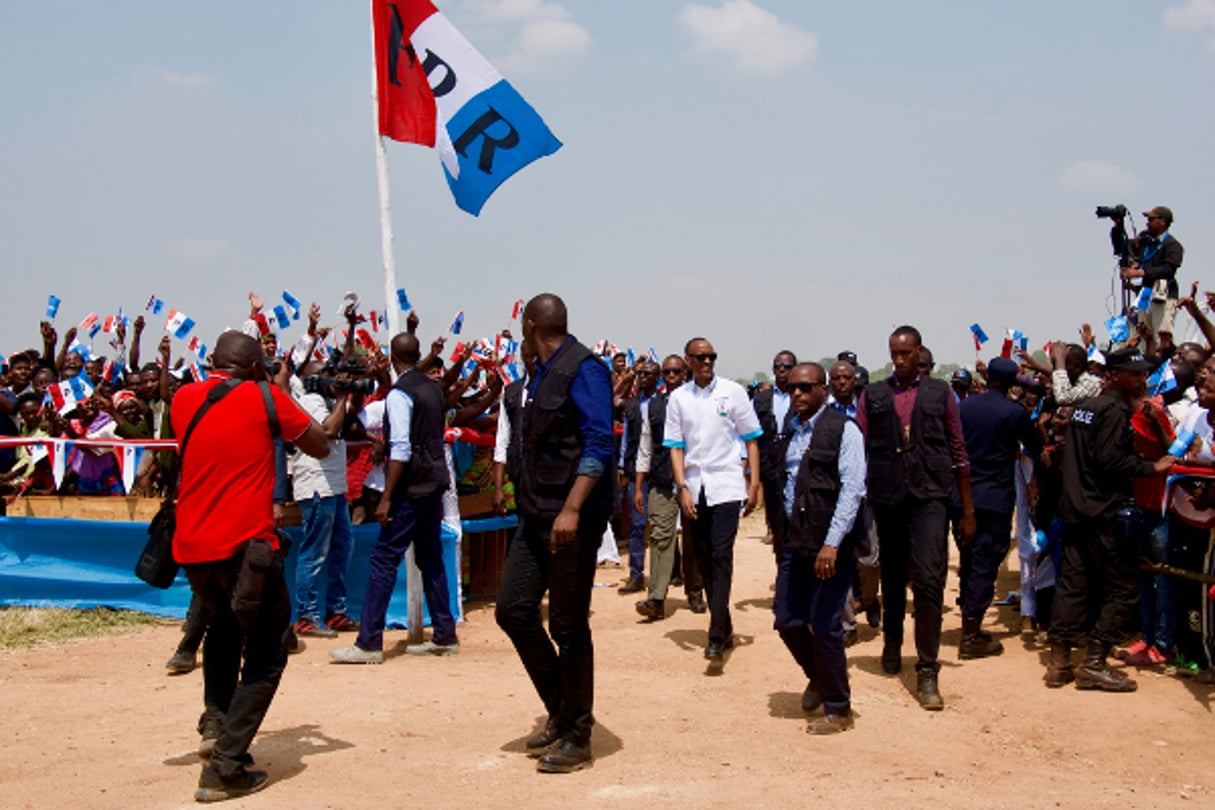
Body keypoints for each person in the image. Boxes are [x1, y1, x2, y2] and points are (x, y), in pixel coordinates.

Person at [171, 331, 327, 802]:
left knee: (220, 630)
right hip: (247, 548)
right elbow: (318, 444)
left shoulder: (184, 398)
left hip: (195, 546)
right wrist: (276, 388)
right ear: (256, 366)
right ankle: (226, 766)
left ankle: (215, 724)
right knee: (266, 652)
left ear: (213, 361)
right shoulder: (266, 397)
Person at [494, 294, 614, 774]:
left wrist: (571, 508)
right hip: (535, 513)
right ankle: (562, 710)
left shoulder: (585, 368)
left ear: (529, 325)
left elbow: (600, 441)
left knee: (567, 625)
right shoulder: (539, 372)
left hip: (571, 517)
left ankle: (577, 735)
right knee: (513, 610)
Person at [855, 325, 975, 710]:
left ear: (918, 352)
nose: (899, 360)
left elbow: (958, 449)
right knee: (891, 576)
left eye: (905, 353)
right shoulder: (874, 394)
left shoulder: (941, 393)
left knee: (928, 579)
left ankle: (927, 668)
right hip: (888, 497)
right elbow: (858, 445)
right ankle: (892, 642)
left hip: (931, 496)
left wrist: (967, 510)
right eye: (894, 353)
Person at [1045, 347, 1176, 691]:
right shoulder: (1113, 411)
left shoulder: (1085, 409)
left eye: (1144, 374)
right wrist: (1153, 467)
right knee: (1124, 589)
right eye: (1134, 374)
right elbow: (1110, 461)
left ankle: (1059, 663)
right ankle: (1094, 661)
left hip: (1075, 508)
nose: (1141, 380)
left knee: (1073, 586)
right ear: (1114, 375)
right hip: (1102, 512)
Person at [330, 333, 459, 664]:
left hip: (410, 488)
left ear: (393, 357)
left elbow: (400, 447)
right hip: (433, 483)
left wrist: (387, 497)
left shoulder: (401, 394)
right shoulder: (430, 387)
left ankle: (369, 643)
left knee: (384, 559)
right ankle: (444, 634)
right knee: (430, 558)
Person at [773, 363, 867, 734]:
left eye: (806, 387)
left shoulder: (844, 430)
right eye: (793, 387)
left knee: (826, 626)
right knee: (787, 620)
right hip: (795, 543)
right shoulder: (790, 431)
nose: (797, 393)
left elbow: (852, 488)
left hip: (831, 548)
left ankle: (838, 708)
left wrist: (832, 542)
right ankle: (820, 677)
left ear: (823, 389)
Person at [665, 337, 763, 665]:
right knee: (703, 558)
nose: (707, 362)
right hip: (694, 485)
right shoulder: (678, 399)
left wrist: (754, 483)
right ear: (688, 361)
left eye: (712, 356)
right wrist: (681, 487)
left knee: (722, 554)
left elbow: (751, 440)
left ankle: (716, 634)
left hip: (727, 484)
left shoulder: (733, 392)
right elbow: (675, 447)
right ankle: (724, 621)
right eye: (701, 357)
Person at [956, 357, 1043, 659]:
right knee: (985, 561)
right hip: (994, 498)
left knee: (968, 558)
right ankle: (971, 635)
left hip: (963, 496)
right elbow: (1034, 445)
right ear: (1012, 383)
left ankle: (968, 618)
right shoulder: (1014, 412)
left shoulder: (964, 406)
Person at [289, 363, 357, 638]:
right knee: (314, 553)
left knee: (343, 547)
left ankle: (335, 611)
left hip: (335, 486)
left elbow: (352, 423)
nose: (337, 379)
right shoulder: (309, 401)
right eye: (331, 374)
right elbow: (327, 431)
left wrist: (351, 393)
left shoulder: (330, 401)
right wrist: (342, 398)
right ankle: (306, 616)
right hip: (317, 484)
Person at [633, 354, 702, 619]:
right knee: (661, 538)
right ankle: (656, 598)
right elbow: (645, 448)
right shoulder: (654, 406)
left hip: (694, 482)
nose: (671, 377)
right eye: (667, 373)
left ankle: (695, 592)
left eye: (676, 372)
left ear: (685, 374)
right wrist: (639, 486)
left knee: (694, 541)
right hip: (662, 483)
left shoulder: (697, 403)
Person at [618, 360, 660, 593]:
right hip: (636, 471)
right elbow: (626, 439)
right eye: (640, 373)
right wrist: (623, 466)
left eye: (647, 374)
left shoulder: (665, 403)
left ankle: (669, 572)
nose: (642, 377)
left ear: (657, 377)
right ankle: (636, 574)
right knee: (637, 523)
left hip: (661, 470)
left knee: (663, 525)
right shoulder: (632, 405)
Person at [1121, 206, 1184, 348]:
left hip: (1163, 296)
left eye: (1151, 219)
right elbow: (1124, 247)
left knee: (1160, 336)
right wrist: (1118, 226)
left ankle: (1162, 366)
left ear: (1162, 222)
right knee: (1144, 337)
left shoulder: (1172, 245)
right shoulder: (1148, 244)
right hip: (1146, 294)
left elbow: (1168, 270)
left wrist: (1139, 273)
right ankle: (1147, 367)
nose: (1147, 223)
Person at [753, 351, 797, 546]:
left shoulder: (801, 394)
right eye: (778, 365)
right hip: (769, 462)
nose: (782, 369)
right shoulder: (761, 398)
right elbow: (750, 432)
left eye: (787, 366)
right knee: (774, 514)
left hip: (794, 461)